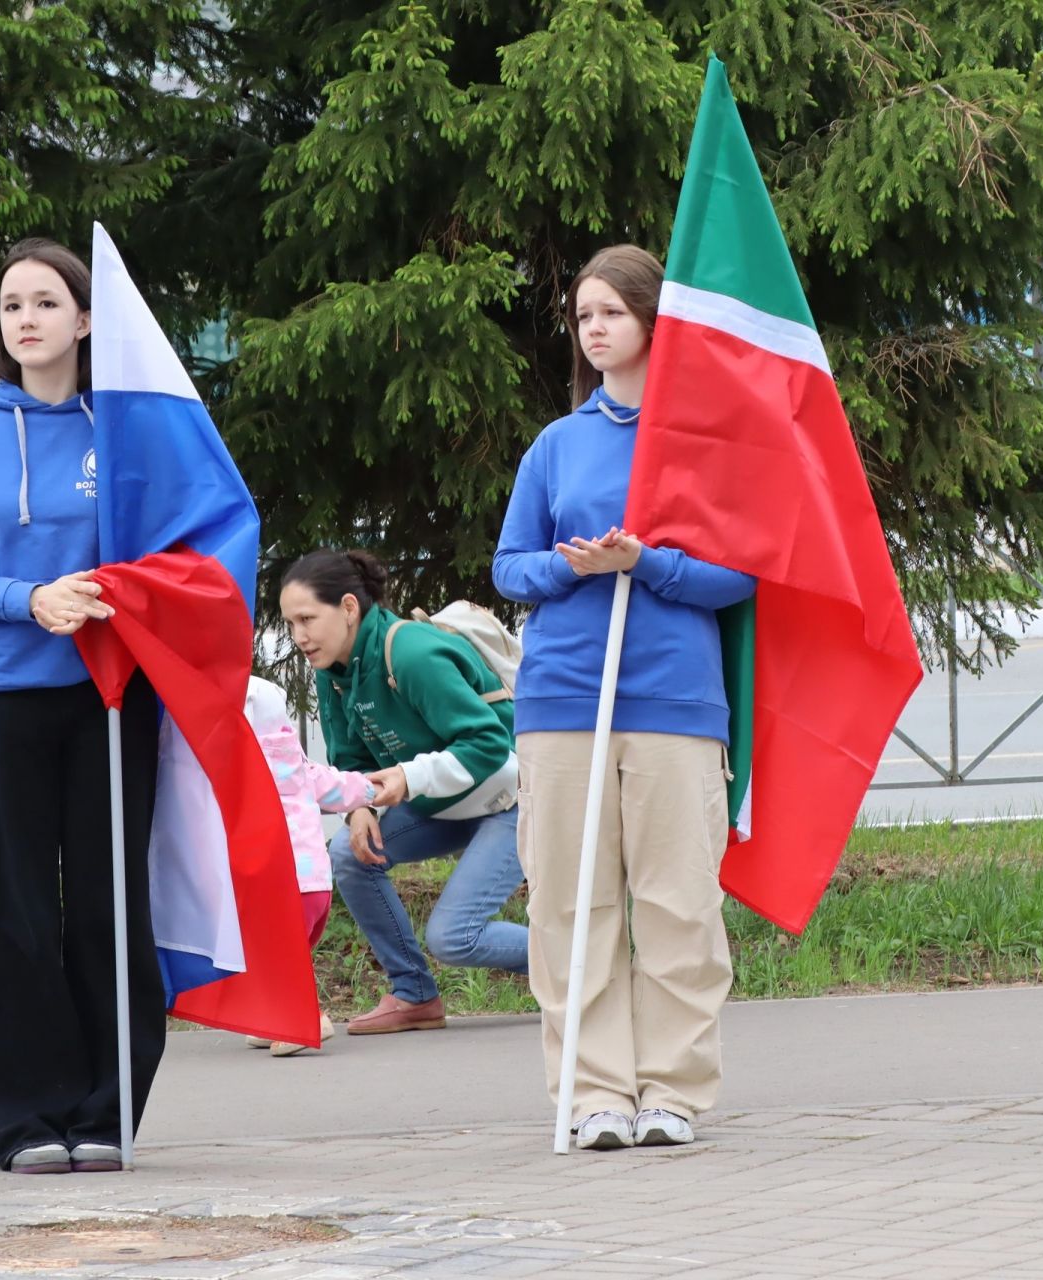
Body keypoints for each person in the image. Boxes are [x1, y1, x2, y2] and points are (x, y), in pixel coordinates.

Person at [492, 244, 756, 1151]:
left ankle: (672, 1091)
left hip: (675, 701)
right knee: (572, 904)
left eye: (610, 311)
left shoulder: (701, 439)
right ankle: (594, 1088)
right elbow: (509, 564)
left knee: (678, 901)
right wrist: (573, 570)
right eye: (582, 315)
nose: (594, 328)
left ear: (652, 319)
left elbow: (740, 574)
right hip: (563, 700)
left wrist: (650, 563)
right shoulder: (558, 444)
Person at [0, 238, 162, 1174]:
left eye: (47, 302)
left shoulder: (131, 426)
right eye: (12, 304)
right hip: (6, 700)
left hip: (112, 700)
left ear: (86, 320)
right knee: (16, 910)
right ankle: (25, 1117)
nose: (26, 318)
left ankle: (108, 1110)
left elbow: (175, 550)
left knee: (107, 901)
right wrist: (32, 600)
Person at [278, 549, 528, 1036]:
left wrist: (410, 779)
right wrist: (359, 810)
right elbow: (350, 759)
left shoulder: (411, 653)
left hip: (509, 798)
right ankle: (414, 994)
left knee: (455, 937)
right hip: (446, 801)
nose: (298, 637)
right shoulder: (334, 672)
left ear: (349, 607)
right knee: (351, 855)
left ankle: (587, 970)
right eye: (289, 624)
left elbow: (489, 743)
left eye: (307, 619)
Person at [242, 674, 375, 1056]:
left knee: (279, 957)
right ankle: (276, 1020)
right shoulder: (294, 762)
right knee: (283, 956)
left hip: (281, 884)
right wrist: (369, 788)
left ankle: (307, 1020)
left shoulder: (243, 769)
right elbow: (332, 786)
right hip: (315, 884)